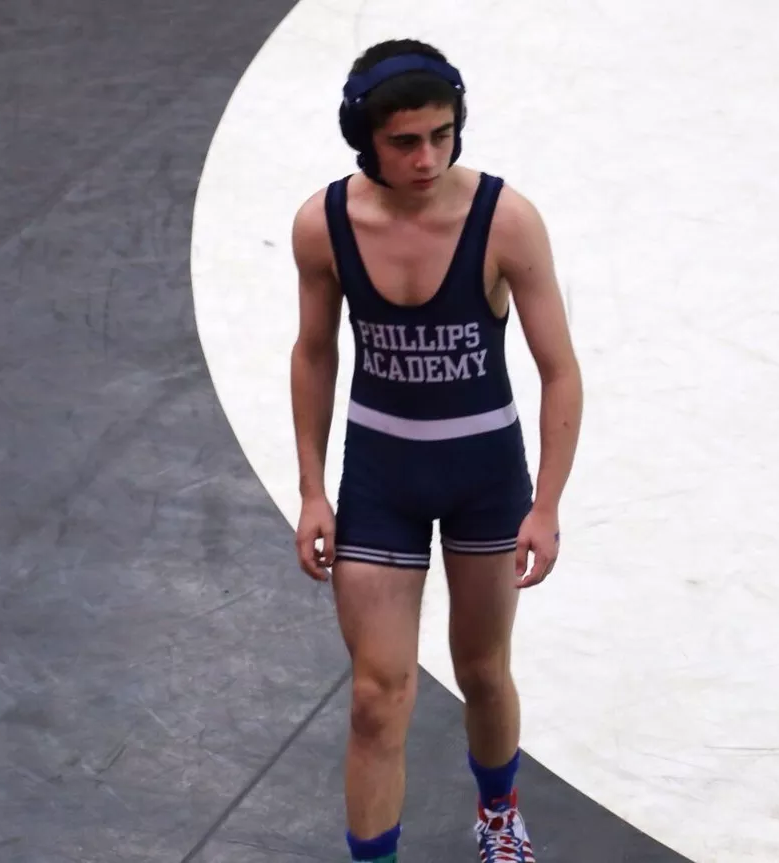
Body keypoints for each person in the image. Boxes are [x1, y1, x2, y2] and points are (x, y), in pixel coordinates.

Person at [289, 37, 583, 863]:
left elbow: (559, 371)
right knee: (378, 699)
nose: (427, 158)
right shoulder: (326, 224)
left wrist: (547, 504)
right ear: (364, 139)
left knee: (482, 670)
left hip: (485, 480)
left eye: (442, 135)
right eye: (404, 141)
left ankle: (499, 815)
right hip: (382, 479)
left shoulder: (505, 220)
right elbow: (314, 354)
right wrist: (314, 490)